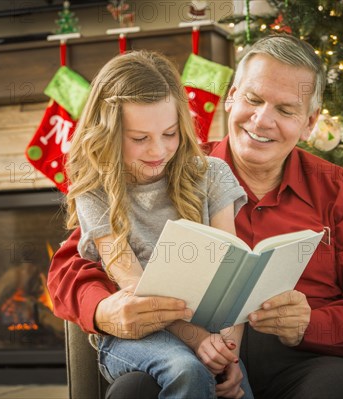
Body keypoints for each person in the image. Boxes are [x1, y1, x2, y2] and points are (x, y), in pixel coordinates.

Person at [49, 35, 343, 399]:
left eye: (285, 111)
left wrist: (310, 324)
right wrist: (103, 310)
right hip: (182, 348)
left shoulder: (342, 193)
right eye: (253, 99)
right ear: (232, 96)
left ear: (309, 122)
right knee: (135, 391)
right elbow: (70, 266)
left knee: (335, 387)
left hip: (303, 366)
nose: (262, 120)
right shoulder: (163, 167)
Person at [63, 50, 253, 399]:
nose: (158, 151)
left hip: (211, 328)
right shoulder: (95, 192)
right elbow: (138, 289)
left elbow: (234, 276)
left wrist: (227, 349)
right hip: (134, 332)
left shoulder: (212, 174)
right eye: (139, 138)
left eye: (169, 133)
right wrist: (200, 342)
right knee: (187, 371)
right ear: (106, 133)